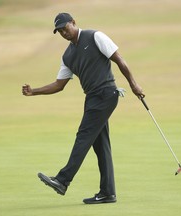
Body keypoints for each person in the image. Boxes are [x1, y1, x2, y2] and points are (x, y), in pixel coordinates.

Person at [22, 12, 145, 204]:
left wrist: (134, 84)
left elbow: (119, 59)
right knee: (101, 146)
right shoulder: (68, 56)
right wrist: (34, 91)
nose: (63, 32)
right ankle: (108, 192)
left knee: (84, 136)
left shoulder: (95, 36)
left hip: (106, 94)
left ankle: (62, 180)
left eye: (65, 27)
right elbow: (59, 85)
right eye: (60, 31)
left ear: (73, 22)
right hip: (92, 99)